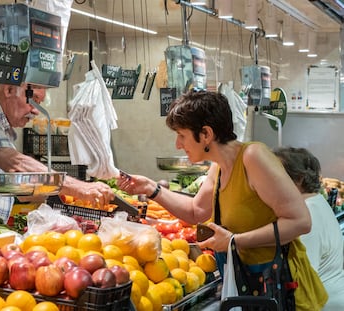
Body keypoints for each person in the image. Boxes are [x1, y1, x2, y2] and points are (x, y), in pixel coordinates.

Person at [117, 89, 328, 310]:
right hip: (252, 289)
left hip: (284, 291)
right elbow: (196, 211)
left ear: (206, 134)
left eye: (182, 135)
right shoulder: (218, 167)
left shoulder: (253, 157)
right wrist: (151, 188)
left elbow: (300, 221)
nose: (178, 144)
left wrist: (234, 241)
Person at [0, 82, 114, 223]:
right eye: (32, 101)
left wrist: (57, 199)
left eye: (39, 103)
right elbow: (15, 164)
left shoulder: (4, 127)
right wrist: (80, 188)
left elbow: (0, 185)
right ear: (9, 90)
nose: (35, 111)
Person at [273, 146, 344, 310]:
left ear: (298, 179)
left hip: (321, 305)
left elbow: (302, 278)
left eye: (276, 176)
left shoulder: (308, 214)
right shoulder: (316, 202)